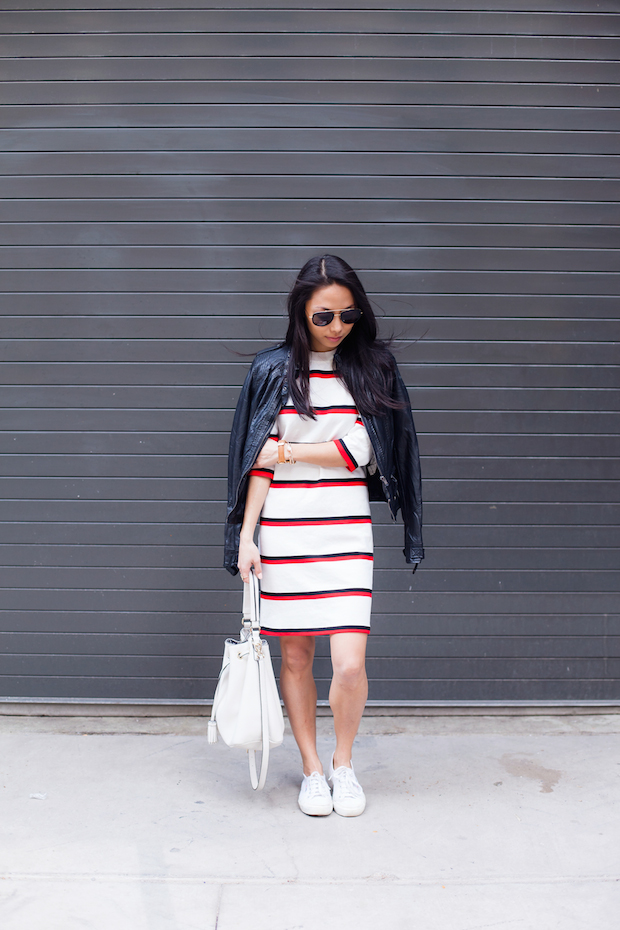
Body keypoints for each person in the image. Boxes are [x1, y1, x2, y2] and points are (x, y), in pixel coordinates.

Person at [224, 254, 423, 817]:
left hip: (346, 529)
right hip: (285, 532)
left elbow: (360, 452)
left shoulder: (371, 369)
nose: (338, 327)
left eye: (348, 315)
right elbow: (254, 463)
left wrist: (288, 450)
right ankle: (312, 768)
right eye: (324, 317)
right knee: (295, 658)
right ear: (300, 314)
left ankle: (344, 763)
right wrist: (247, 535)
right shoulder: (273, 371)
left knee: (351, 663)